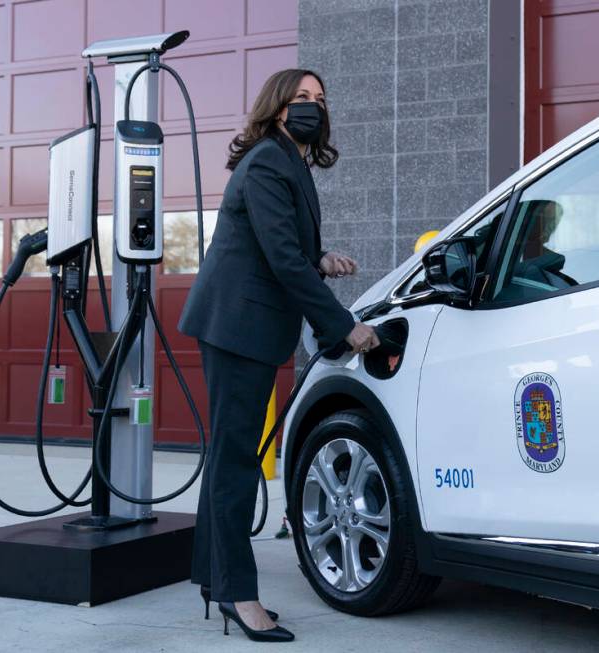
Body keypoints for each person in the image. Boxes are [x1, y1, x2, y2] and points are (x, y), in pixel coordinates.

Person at [178, 68, 379, 643]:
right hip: (239, 325)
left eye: (320, 97)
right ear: (277, 107)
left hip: (246, 323)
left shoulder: (288, 161)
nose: (313, 106)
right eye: (302, 99)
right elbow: (282, 260)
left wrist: (321, 259)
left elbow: (285, 250)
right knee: (238, 463)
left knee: (227, 458)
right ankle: (240, 596)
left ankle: (214, 581)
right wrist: (344, 327)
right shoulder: (268, 160)